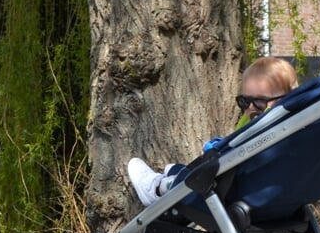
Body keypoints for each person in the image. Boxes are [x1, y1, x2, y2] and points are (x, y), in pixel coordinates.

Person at [126, 56, 298, 205]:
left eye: (259, 102)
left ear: (285, 99)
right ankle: (174, 174)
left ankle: (157, 188)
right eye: (244, 101)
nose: (250, 108)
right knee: (182, 169)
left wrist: (218, 149)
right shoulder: (296, 130)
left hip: (235, 195)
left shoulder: (271, 130)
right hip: (277, 201)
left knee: (193, 177)